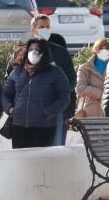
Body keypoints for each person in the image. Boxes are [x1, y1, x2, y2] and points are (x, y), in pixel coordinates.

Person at [2, 37, 71, 148]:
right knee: (21, 161)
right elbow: (5, 94)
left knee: (41, 162)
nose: (33, 52)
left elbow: (64, 98)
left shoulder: (55, 72)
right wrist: (9, 109)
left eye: (37, 49)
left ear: (44, 53)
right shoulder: (18, 71)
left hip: (44, 127)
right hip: (19, 126)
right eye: (30, 49)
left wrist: (46, 112)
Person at [31, 15, 76, 145]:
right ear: (33, 30)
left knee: (56, 152)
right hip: (30, 114)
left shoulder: (61, 53)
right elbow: (10, 81)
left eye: (47, 27)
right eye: (41, 27)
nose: (45, 29)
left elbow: (72, 80)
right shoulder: (22, 53)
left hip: (56, 113)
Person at [75, 38, 109, 119]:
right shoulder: (85, 68)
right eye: (102, 49)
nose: (105, 51)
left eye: (108, 49)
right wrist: (103, 95)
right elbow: (80, 88)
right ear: (96, 49)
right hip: (89, 113)